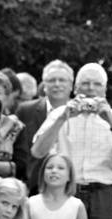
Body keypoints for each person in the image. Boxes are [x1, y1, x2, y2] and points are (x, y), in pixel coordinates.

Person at [31, 62, 112, 219]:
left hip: (102, 194)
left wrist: (111, 123)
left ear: (105, 90)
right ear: (76, 88)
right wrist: (63, 119)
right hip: (66, 191)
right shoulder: (59, 114)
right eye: (85, 83)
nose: (91, 89)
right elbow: (37, 152)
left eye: (97, 84)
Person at [14, 61, 74, 194]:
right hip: (33, 185)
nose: (57, 84)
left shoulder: (80, 113)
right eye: (52, 80)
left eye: (62, 80)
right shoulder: (26, 110)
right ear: (44, 85)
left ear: (71, 85)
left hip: (70, 186)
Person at [27, 153, 91, 219]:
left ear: (69, 176)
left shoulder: (77, 205)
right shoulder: (31, 203)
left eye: (61, 168)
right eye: (49, 167)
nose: (54, 171)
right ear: (42, 174)